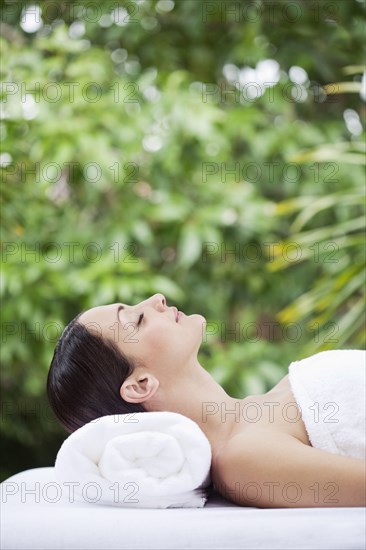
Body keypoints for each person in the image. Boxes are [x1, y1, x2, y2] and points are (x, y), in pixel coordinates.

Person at [47, 293, 366, 508]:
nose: (156, 299)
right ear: (141, 384)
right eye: (136, 320)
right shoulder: (243, 459)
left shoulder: (271, 401)